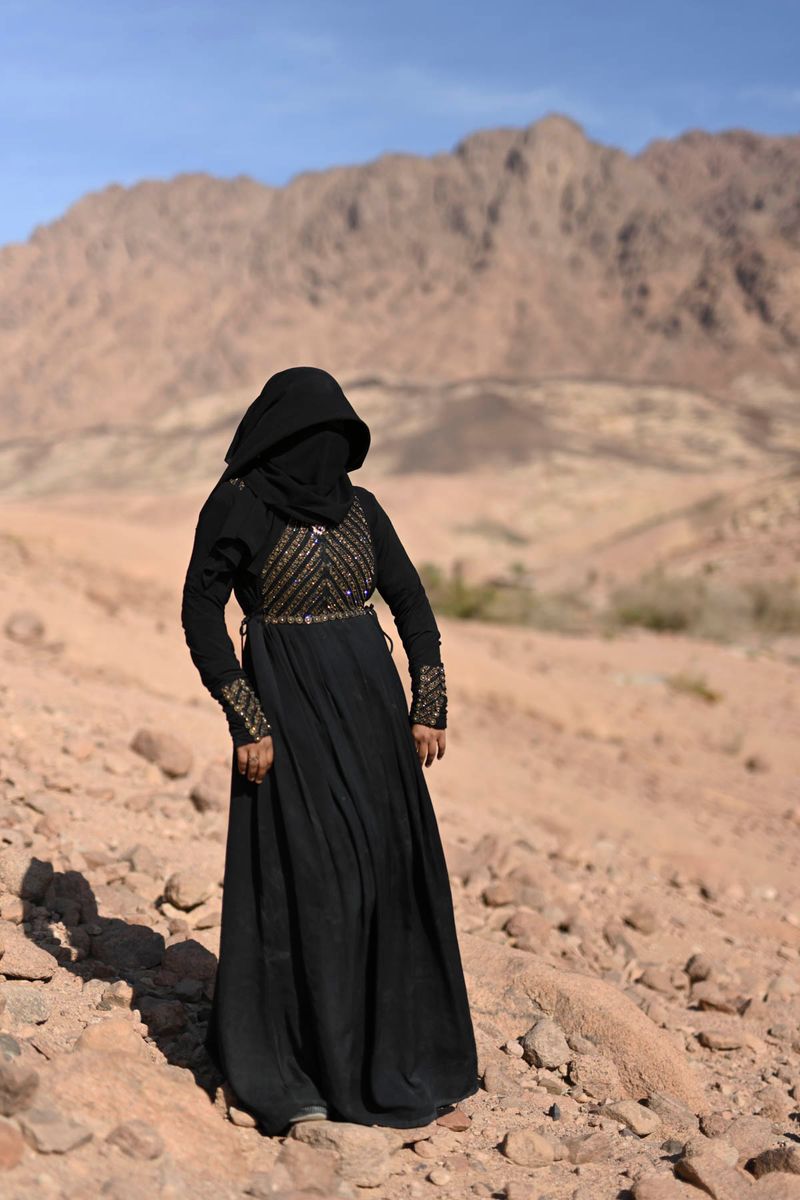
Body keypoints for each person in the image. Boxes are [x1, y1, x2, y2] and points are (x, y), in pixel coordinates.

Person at [180, 365, 479, 1136]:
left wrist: (430, 703)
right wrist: (247, 718)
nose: (327, 453)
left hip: (373, 713)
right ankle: (301, 1061)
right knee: (309, 879)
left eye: (337, 438)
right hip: (286, 713)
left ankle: (396, 1054)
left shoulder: (363, 510)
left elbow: (411, 603)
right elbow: (201, 613)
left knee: (382, 875)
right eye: (316, 437)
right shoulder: (238, 507)